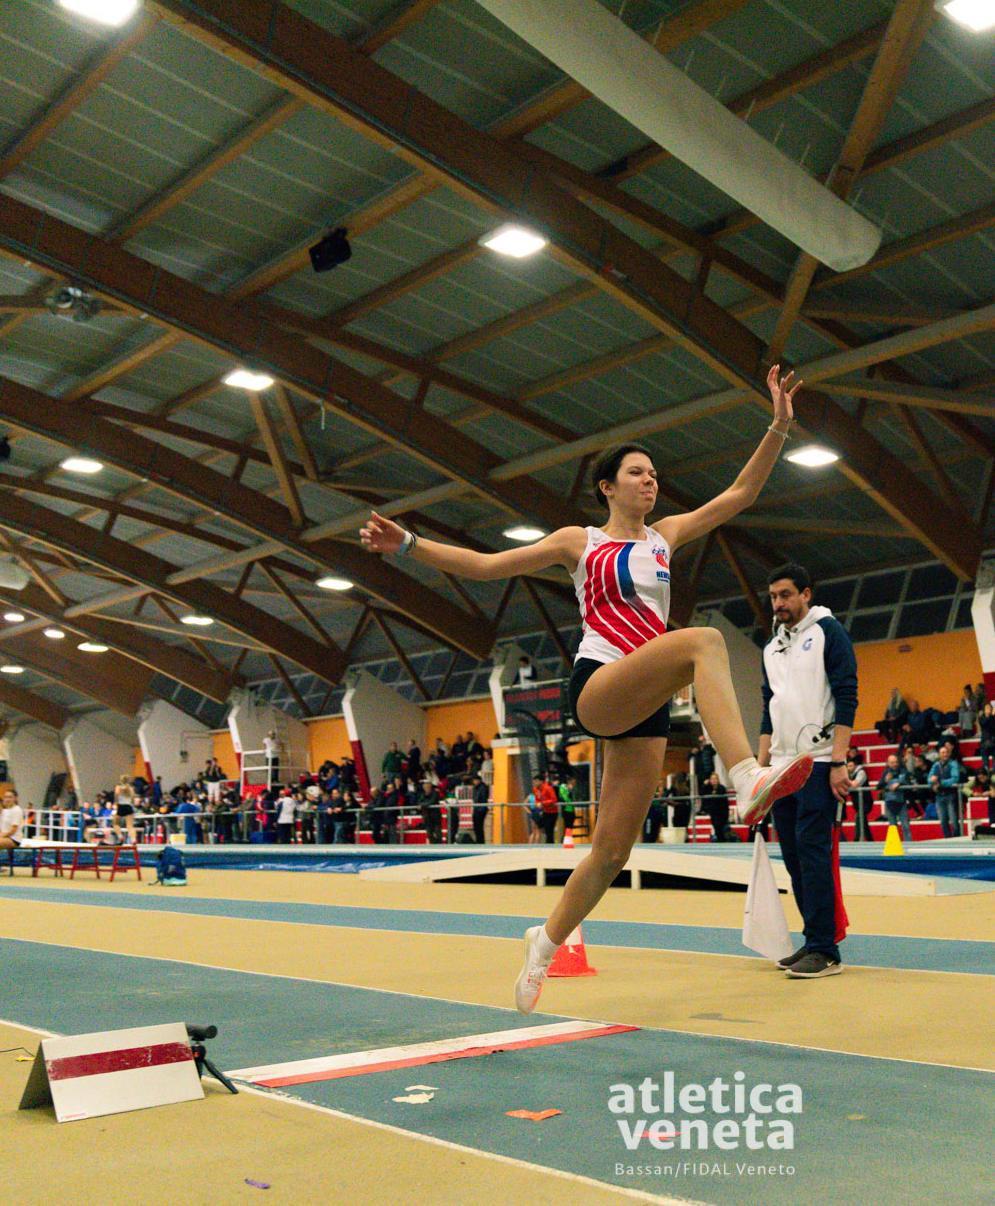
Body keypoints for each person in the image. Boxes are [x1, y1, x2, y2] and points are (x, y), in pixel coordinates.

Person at [359, 364, 815, 1013]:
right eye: (637, 472)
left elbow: (740, 493)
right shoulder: (582, 542)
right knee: (704, 642)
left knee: (611, 853)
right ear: (607, 486)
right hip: (599, 684)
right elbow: (485, 567)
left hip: (646, 701)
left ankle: (542, 944)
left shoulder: (667, 537)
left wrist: (778, 427)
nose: (651, 480)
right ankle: (745, 777)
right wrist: (408, 544)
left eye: (654, 474)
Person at [757, 564, 858, 978]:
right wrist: (760, 770)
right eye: (773, 597)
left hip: (817, 762)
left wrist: (838, 761)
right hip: (781, 768)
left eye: (785, 595)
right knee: (794, 858)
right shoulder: (771, 647)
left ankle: (825, 950)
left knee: (813, 853)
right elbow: (769, 707)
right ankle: (813, 939)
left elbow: (847, 696)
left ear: (805, 594)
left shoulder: (829, 632)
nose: (778, 603)